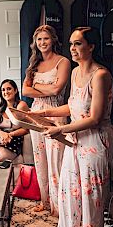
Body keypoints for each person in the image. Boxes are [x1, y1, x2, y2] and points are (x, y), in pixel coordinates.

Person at [30, 27, 113, 227]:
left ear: (92, 46)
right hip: (74, 138)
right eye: (71, 44)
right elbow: (74, 106)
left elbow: (95, 117)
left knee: (90, 198)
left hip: (94, 141)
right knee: (69, 193)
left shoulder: (101, 75)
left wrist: (62, 129)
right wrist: (47, 114)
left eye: (78, 44)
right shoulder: (76, 73)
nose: (73, 49)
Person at [22, 25, 70, 214]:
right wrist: (46, 86)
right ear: (35, 43)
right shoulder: (33, 64)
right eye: (39, 39)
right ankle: (45, 202)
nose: (42, 43)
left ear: (53, 40)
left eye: (46, 39)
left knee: (56, 161)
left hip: (55, 113)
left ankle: (59, 206)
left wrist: (37, 85)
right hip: (35, 114)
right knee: (40, 159)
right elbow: (25, 90)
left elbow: (57, 90)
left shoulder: (63, 62)